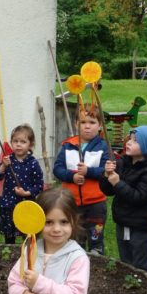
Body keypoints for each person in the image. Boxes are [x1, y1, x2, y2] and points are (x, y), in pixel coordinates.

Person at [100, 126, 147, 276]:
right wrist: (106, 175)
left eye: (136, 141)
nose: (129, 142)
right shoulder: (124, 161)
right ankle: (133, 287)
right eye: (130, 138)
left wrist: (117, 183)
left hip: (139, 224)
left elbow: (139, 197)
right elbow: (108, 191)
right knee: (125, 260)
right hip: (122, 220)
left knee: (140, 263)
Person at [52, 108, 108, 255]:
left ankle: (96, 256)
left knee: (95, 234)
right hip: (72, 201)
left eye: (92, 122)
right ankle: (76, 260)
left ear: (100, 125)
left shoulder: (103, 146)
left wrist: (88, 172)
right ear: (76, 124)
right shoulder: (67, 145)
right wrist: (72, 177)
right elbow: (57, 169)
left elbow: (106, 171)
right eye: (83, 122)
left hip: (96, 202)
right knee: (76, 235)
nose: (87, 126)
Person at [0, 124, 45, 244]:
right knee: (9, 235)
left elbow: (39, 185)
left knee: (27, 235)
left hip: (26, 204)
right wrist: (3, 166)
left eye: (23, 141)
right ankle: (10, 252)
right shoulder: (8, 160)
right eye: (15, 141)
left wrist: (27, 192)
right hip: (9, 204)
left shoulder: (33, 163)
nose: (18, 144)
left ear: (30, 145)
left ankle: (28, 255)